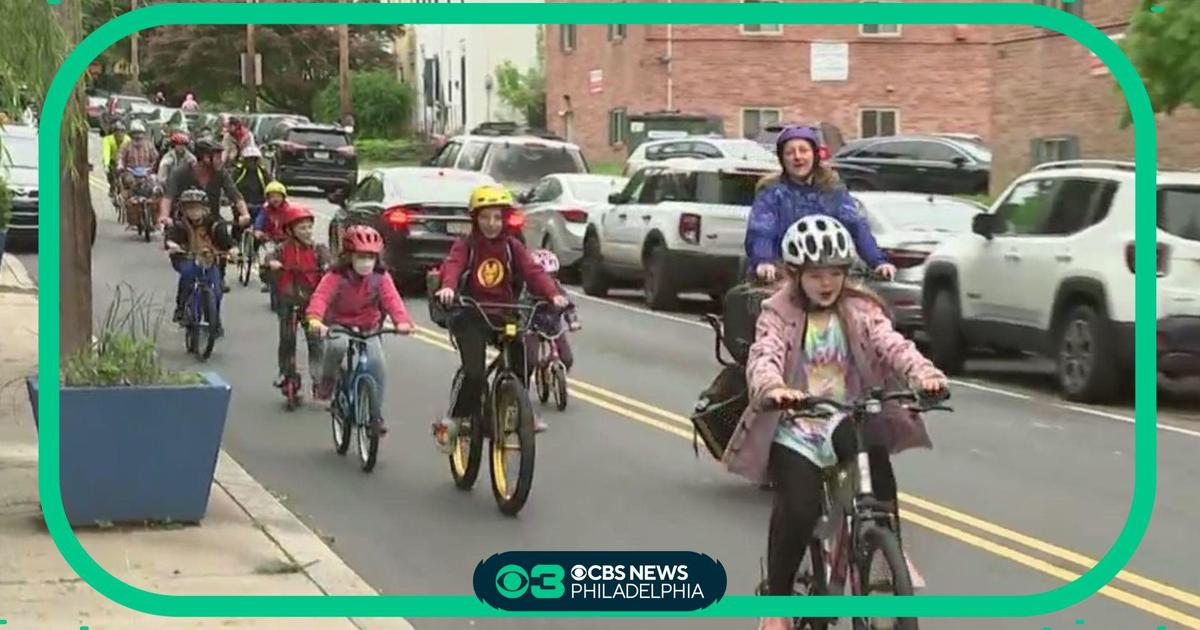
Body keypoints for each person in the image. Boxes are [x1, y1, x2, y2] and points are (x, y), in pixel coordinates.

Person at [721, 216, 947, 630]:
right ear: (795, 274)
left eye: (835, 273)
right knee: (801, 507)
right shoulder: (778, 312)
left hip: (848, 416)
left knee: (879, 479)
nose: (826, 283)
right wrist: (772, 387)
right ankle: (777, 602)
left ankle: (882, 548)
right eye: (816, 274)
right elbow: (764, 354)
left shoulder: (861, 310)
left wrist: (923, 375)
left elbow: (892, 346)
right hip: (797, 422)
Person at [432, 184, 570, 447]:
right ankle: (454, 419)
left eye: (497, 217)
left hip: (504, 314)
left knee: (522, 359)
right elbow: (453, 266)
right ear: (475, 219)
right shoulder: (466, 245)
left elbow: (534, 272)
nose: (491, 224)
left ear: (504, 219)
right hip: (470, 314)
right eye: (485, 217)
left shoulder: (512, 246)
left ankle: (515, 409)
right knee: (474, 373)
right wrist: (448, 288)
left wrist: (554, 295)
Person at [744, 125, 896, 285]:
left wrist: (878, 262)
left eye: (803, 150)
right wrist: (764, 261)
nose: (797, 157)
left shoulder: (833, 189)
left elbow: (856, 226)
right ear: (782, 159)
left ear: (815, 155)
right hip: (784, 276)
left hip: (827, 274)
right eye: (790, 152)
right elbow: (762, 229)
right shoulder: (772, 191)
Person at [305, 226, 415, 434]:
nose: (366, 262)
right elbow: (320, 298)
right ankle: (327, 382)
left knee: (377, 364)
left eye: (371, 257)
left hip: (368, 328)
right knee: (337, 347)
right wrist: (315, 319)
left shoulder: (380, 277)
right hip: (340, 325)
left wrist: (402, 322)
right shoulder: (336, 276)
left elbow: (393, 300)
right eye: (361, 256)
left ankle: (376, 415)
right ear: (348, 256)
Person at [160, 137, 251, 293]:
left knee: (221, 233)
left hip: (211, 218)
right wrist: (164, 216)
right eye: (216, 155)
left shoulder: (220, 173)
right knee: (185, 260)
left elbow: (235, 195)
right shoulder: (181, 172)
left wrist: (244, 214)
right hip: (185, 219)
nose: (220, 159)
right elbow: (168, 196)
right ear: (204, 157)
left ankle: (220, 276)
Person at [263, 204, 332, 398]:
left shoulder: (318, 249)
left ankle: (319, 379)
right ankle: (287, 374)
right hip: (288, 300)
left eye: (309, 227)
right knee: (287, 339)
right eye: (302, 228)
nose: (307, 231)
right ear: (291, 230)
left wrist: (327, 266)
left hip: (312, 303)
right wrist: (272, 263)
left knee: (316, 341)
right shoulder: (282, 249)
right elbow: (269, 258)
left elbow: (329, 262)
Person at [164, 188, 237, 336]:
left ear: (205, 209)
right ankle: (181, 309)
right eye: (190, 208)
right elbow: (170, 238)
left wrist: (233, 249)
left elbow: (227, 241)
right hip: (187, 258)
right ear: (183, 210)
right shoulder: (179, 225)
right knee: (187, 276)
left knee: (216, 291)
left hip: (210, 260)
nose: (194, 212)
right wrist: (173, 245)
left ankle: (214, 320)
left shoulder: (215, 225)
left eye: (197, 208)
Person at [522, 249, 582, 383]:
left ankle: (546, 365)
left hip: (553, 327)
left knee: (567, 359)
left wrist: (572, 321)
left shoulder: (557, 288)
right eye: (544, 275)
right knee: (530, 361)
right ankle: (520, 387)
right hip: (532, 327)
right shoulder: (526, 291)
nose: (548, 280)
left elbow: (569, 305)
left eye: (552, 275)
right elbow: (520, 308)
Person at [117, 120, 160, 230]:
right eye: (135, 134)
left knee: (156, 189)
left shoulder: (149, 145)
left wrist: (155, 167)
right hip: (131, 172)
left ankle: (156, 220)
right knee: (129, 187)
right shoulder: (126, 146)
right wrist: (120, 166)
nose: (138, 137)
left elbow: (156, 157)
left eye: (140, 134)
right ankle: (133, 218)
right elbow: (120, 158)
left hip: (147, 172)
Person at [102, 121, 130, 203]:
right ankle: (112, 187)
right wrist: (106, 165)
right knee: (110, 174)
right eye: (117, 131)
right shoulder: (108, 140)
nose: (120, 134)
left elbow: (130, 152)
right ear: (114, 132)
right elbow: (106, 153)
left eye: (122, 131)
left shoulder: (127, 139)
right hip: (112, 161)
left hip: (124, 162)